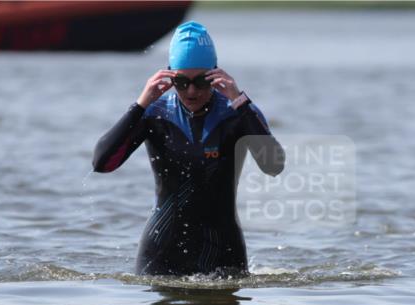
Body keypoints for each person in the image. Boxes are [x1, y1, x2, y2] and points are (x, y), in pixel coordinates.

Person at [93, 21, 284, 276]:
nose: (192, 91)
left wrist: (240, 100)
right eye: (182, 82)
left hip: (223, 251)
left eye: (201, 81)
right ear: (169, 76)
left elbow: (274, 166)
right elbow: (102, 163)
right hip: (161, 252)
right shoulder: (154, 114)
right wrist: (140, 105)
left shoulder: (237, 113)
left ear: (216, 75)